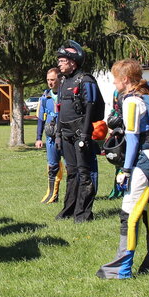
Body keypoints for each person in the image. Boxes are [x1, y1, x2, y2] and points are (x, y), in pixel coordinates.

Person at [97, 60, 149, 278]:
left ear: (125, 80)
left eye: (115, 78)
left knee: (128, 215)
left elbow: (132, 139)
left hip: (144, 162)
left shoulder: (131, 101)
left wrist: (126, 170)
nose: (113, 82)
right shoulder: (148, 96)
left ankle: (121, 268)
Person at [55, 41, 105, 222]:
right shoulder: (63, 82)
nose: (59, 64)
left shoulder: (85, 80)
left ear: (73, 62)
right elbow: (61, 109)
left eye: (63, 60)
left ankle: (83, 214)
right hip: (66, 134)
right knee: (72, 172)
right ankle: (69, 209)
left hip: (81, 133)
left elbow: (91, 107)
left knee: (85, 173)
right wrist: (59, 134)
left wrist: (85, 134)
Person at [35, 67, 63, 204]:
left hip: (66, 136)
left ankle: (73, 196)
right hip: (51, 137)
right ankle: (52, 194)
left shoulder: (66, 95)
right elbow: (40, 119)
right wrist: (38, 138)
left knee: (71, 166)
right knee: (52, 165)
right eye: (48, 80)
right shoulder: (45, 98)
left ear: (59, 79)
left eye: (52, 79)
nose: (50, 83)